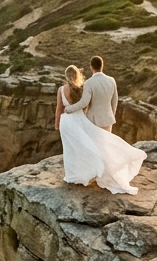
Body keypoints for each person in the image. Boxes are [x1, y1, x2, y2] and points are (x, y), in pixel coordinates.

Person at [55, 62, 145, 195]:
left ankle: (75, 174)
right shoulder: (84, 87)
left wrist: (58, 121)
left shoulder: (63, 89)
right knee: (100, 146)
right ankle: (102, 171)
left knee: (72, 148)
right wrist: (111, 115)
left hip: (68, 121)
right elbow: (110, 102)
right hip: (88, 119)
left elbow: (60, 108)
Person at [62, 55, 118, 130]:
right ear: (102, 66)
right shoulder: (112, 80)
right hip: (108, 120)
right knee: (104, 142)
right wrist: (111, 115)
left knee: (93, 142)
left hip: (94, 121)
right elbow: (114, 101)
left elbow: (84, 102)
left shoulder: (89, 83)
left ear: (91, 67)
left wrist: (69, 109)